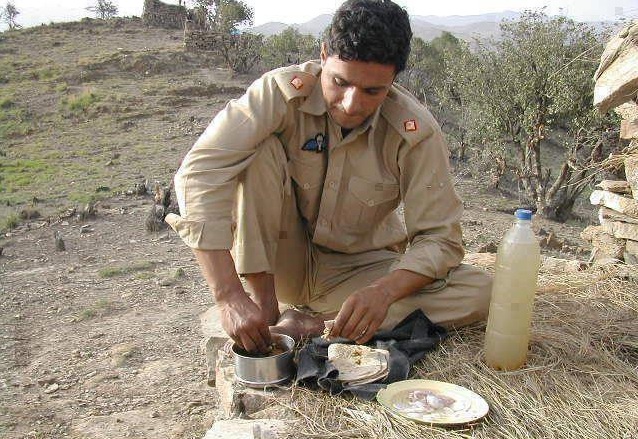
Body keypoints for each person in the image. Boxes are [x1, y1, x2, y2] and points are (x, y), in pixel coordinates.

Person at [166, 0, 492, 353]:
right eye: (340, 82)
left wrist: (383, 292)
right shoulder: (279, 94)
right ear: (324, 54)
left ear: (394, 80)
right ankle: (266, 309)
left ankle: (315, 325)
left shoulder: (414, 131)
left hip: (359, 271)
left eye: (372, 91)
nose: (352, 104)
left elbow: (440, 239)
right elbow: (199, 171)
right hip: (278, 266)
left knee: (481, 291)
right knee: (258, 151)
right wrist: (228, 294)